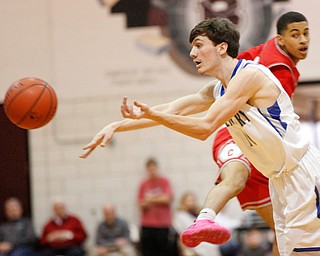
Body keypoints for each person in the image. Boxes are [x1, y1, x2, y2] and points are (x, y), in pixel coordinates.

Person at [80, 11, 309, 255]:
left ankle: (206, 218)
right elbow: (170, 109)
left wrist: (154, 115)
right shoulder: (220, 88)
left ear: (222, 48)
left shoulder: (252, 74)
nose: (192, 53)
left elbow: (202, 127)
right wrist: (116, 126)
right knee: (288, 242)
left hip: (297, 170)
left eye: (198, 46)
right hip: (264, 161)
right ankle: (205, 219)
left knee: (293, 244)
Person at [207, 10, 309, 256]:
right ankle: (205, 217)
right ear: (282, 39)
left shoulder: (269, 48)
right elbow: (274, 123)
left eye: (306, 33)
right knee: (291, 229)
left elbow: (239, 62)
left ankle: (206, 216)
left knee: (283, 231)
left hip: (241, 137)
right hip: (249, 143)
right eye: (295, 35)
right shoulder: (279, 69)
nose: (303, 40)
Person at [137, 158, 177, 256]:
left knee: (164, 252)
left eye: (153, 169)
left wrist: (150, 199)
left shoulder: (164, 182)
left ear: (157, 168)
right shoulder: (143, 184)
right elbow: (141, 203)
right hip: (147, 225)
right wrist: (158, 199)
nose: (152, 171)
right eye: (149, 169)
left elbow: (167, 198)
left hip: (162, 225)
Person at [174, 191, 221, 256]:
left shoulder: (200, 213)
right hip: (192, 241)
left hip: (205, 240)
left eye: (192, 200)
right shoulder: (180, 215)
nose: (191, 202)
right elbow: (181, 231)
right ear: (183, 202)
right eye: (189, 200)